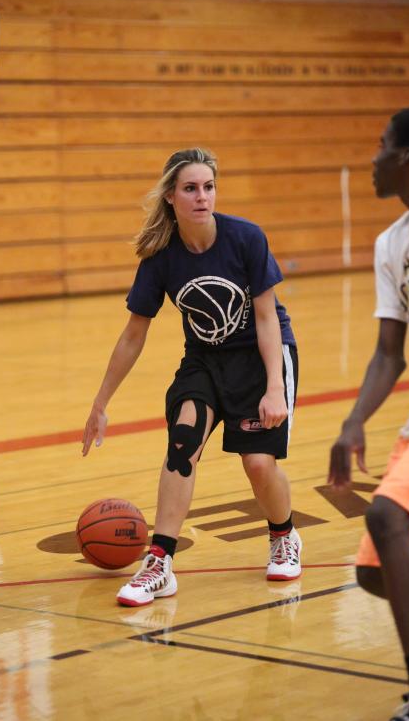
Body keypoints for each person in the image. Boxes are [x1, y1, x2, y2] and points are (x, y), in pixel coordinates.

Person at [82, 147, 302, 608]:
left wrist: (275, 388)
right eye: (190, 188)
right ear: (171, 197)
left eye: (208, 187)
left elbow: (266, 319)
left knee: (258, 465)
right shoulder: (162, 256)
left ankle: (284, 535)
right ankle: (160, 562)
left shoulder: (246, 238)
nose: (202, 197)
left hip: (260, 357)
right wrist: (100, 402)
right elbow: (132, 335)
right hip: (203, 359)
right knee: (183, 441)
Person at [328, 106, 409, 721]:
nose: (373, 157)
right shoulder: (392, 243)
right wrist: (353, 420)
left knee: (387, 518)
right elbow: (390, 351)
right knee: (374, 574)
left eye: (383, 145)